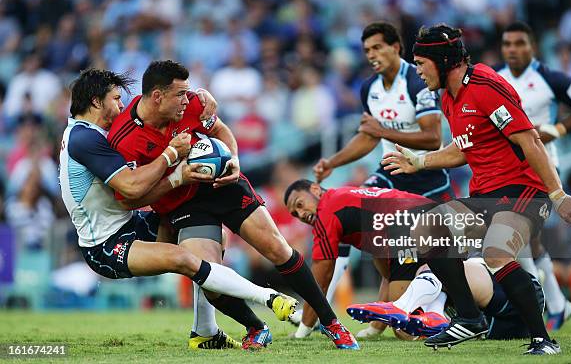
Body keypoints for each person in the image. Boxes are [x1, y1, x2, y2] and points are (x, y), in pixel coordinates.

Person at [108, 60, 358, 350]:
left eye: (188, 92)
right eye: (180, 94)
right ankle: (256, 327)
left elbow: (223, 132)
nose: (186, 99)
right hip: (182, 206)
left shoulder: (191, 104)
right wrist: (176, 178)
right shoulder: (124, 138)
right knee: (209, 276)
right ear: (157, 97)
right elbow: (132, 198)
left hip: (223, 187)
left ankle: (332, 323)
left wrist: (235, 161)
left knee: (278, 248)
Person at [382, 24, 571, 355]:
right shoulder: (449, 97)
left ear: (442, 60)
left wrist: (557, 194)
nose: (417, 71)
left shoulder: (485, 85)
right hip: (486, 194)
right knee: (427, 231)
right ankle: (470, 319)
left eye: (421, 63)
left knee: (496, 252)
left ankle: (543, 340)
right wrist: (418, 162)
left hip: (525, 190)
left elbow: (530, 140)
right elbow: (461, 150)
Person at [59, 68, 298, 349]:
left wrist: (202, 98)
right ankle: (268, 300)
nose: (121, 105)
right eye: (115, 98)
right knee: (184, 258)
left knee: (206, 238)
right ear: (96, 102)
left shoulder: (89, 133)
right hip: (105, 245)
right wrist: (172, 155)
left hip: (130, 224)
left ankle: (206, 332)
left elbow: (150, 110)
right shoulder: (84, 139)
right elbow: (132, 188)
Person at [497, 21, 571, 330]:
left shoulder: (549, 78)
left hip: (541, 168)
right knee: (528, 240)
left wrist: (559, 128)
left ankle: (538, 302)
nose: (512, 50)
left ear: (532, 47)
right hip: (505, 169)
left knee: (515, 235)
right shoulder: (494, 79)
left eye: (519, 43)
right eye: (507, 44)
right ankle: (557, 303)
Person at [314, 22, 452, 203]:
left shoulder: (418, 82)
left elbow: (433, 139)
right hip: (391, 174)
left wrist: (382, 132)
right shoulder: (369, 88)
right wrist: (332, 162)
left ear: (395, 47)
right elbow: (368, 137)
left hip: (428, 176)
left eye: (377, 47)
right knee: (357, 203)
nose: (371, 55)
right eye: (367, 50)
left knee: (448, 230)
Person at [284, 179, 437, 339]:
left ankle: (444, 312)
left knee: (405, 330)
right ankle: (446, 296)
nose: (301, 215)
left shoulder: (326, 210)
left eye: (300, 204)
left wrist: (303, 330)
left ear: (315, 189)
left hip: (411, 224)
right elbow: (388, 274)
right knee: (384, 266)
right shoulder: (348, 203)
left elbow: (319, 281)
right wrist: (375, 328)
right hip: (432, 214)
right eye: (295, 214)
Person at [347, 259, 545, 341]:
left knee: (434, 268)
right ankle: (432, 315)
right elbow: (406, 335)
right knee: (434, 270)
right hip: (495, 325)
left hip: (515, 297)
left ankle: (400, 306)